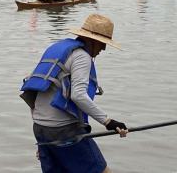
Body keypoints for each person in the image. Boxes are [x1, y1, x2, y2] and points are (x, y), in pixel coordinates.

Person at [20, 14, 128, 173]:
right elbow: (77, 95)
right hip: (64, 131)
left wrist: (45, 140)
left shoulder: (56, 49)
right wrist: (108, 121)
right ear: (93, 41)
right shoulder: (82, 56)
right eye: (103, 44)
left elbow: (33, 88)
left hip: (40, 128)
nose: (103, 49)